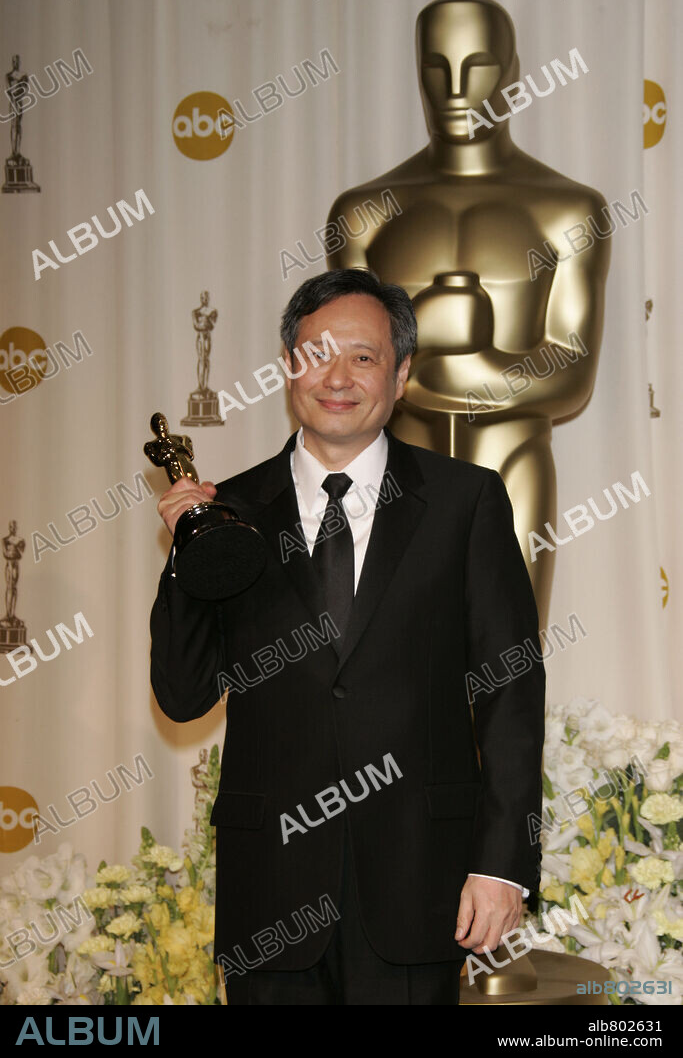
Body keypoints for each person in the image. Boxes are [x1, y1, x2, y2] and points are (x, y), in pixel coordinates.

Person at [149, 268, 545, 1005]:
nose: (336, 376)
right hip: (270, 893)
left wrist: (502, 865)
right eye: (315, 353)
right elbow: (181, 695)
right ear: (287, 368)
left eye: (362, 357)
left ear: (400, 376)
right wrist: (184, 562)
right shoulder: (229, 511)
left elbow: (510, 694)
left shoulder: (464, 501)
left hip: (420, 886)